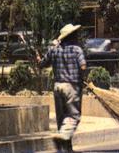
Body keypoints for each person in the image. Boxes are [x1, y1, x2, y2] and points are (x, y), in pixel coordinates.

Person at [37, 24, 87, 152]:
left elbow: (42, 64)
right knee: (74, 116)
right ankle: (63, 137)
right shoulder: (77, 50)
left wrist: (38, 58)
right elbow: (83, 67)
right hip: (71, 87)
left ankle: (66, 148)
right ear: (71, 36)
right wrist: (84, 79)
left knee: (62, 118)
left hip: (58, 87)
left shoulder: (54, 49)